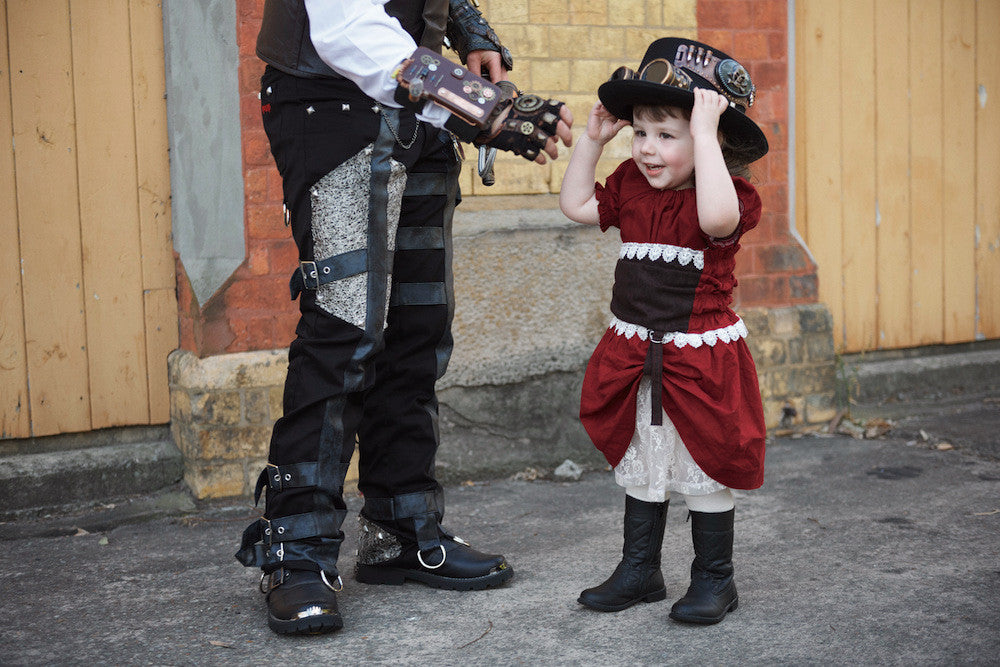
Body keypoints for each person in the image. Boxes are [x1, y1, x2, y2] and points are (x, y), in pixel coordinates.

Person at [236, 0, 573, 636]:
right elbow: (345, 26)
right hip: (329, 107)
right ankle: (295, 552)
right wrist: (488, 108)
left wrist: (467, 26)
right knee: (344, 329)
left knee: (417, 330)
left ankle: (400, 530)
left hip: (418, 115)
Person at [558, 37, 768, 625]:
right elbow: (576, 205)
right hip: (636, 350)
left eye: (667, 135)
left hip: (699, 359)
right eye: (641, 133)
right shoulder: (627, 183)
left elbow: (716, 220)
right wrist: (592, 143)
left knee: (704, 462)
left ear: (710, 141)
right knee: (646, 461)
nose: (648, 149)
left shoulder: (726, 196)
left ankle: (714, 579)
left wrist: (706, 135)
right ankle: (640, 568)